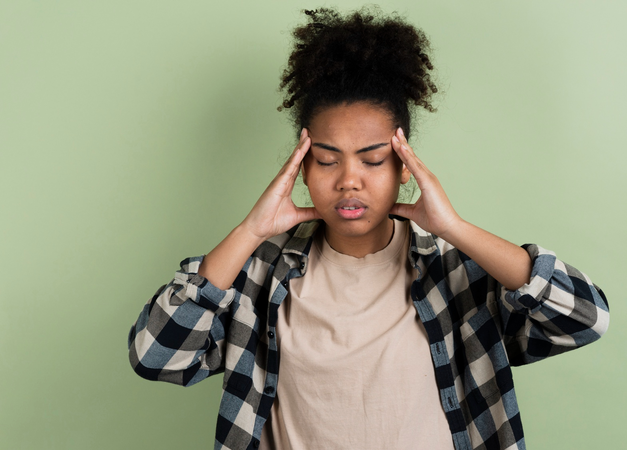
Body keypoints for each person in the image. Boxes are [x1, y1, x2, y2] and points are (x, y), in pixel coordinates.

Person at [126, 6, 609, 450]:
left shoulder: (456, 270)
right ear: (301, 169)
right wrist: (251, 231)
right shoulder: (259, 274)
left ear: (404, 167)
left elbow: (586, 319)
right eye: (326, 160)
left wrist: (456, 229)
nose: (349, 180)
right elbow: (155, 355)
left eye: (373, 159)